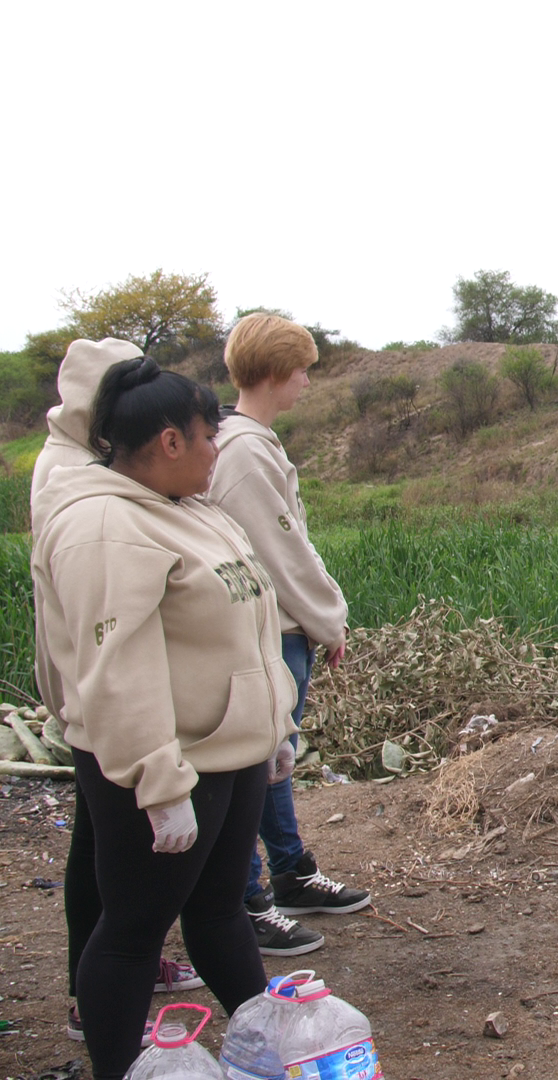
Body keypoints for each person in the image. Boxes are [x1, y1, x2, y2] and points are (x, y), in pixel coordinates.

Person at [31, 357, 295, 1078]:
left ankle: (270, 1050)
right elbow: (117, 668)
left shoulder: (190, 510)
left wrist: (273, 728)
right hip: (167, 763)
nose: (220, 451)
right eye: (211, 436)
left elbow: (245, 623)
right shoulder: (104, 526)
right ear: (172, 441)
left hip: (227, 753)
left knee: (218, 914)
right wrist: (159, 781)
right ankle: (118, 1065)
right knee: (132, 932)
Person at [29, 338, 205, 1041]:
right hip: (94, 687)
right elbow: (104, 615)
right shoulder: (74, 477)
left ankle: (109, 977)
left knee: (101, 844)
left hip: (93, 683)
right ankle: (94, 998)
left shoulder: (90, 461)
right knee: (106, 851)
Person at [208, 314, 370, 957]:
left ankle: (290, 873)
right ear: (274, 373)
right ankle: (250, 899)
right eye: (301, 369)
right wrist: (329, 617)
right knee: (259, 760)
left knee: (275, 754)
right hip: (271, 627)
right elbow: (282, 553)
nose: (307, 380)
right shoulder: (245, 449)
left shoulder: (244, 440)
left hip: (276, 624)